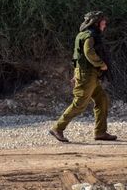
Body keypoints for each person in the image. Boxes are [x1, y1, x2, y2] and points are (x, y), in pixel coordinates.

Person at [49, 11, 117, 142]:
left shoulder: (85, 34)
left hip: (89, 75)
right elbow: (88, 52)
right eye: (103, 22)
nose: (105, 24)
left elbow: (77, 57)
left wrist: (76, 73)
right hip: (87, 75)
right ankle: (57, 128)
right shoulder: (89, 36)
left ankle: (100, 132)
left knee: (102, 100)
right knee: (79, 104)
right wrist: (101, 64)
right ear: (96, 23)